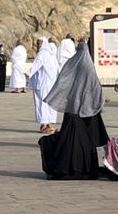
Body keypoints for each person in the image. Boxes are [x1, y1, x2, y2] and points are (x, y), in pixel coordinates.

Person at [39, 45, 109, 179]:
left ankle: (68, 165)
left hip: (71, 109)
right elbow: (95, 87)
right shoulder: (88, 65)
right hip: (88, 111)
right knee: (85, 139)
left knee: (69, 138)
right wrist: (97, 102)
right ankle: (85, 166)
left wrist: (63, 97)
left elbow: (63, 80)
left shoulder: (71, 62)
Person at [27, 37, 59, 133]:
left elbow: (37, 65)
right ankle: (47, 124)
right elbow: (57, 68)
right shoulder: (51, 54)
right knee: (48, 103)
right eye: (37, 44)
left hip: (43, 83)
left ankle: (46, 125)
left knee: (42, 103)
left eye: (39, 44)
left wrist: (28, 73)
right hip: (50, 83)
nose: (37, 46)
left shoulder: (42, 54)